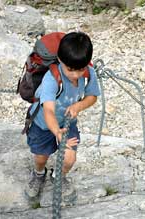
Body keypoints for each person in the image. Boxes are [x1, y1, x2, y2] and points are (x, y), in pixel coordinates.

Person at [25, 32, 100, 201]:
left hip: (67, 123)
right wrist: (57, 132)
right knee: (40, 157)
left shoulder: (89, 73)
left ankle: (58, 176)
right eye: (70, 70)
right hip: (42, 124)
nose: (75, 75)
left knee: (69, 158)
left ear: (86, 64)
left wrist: (79, 105)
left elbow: (92, 96)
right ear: (60, 59)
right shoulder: (51, 79)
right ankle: (39, 173)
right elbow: (48, 111)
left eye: (80, 69)